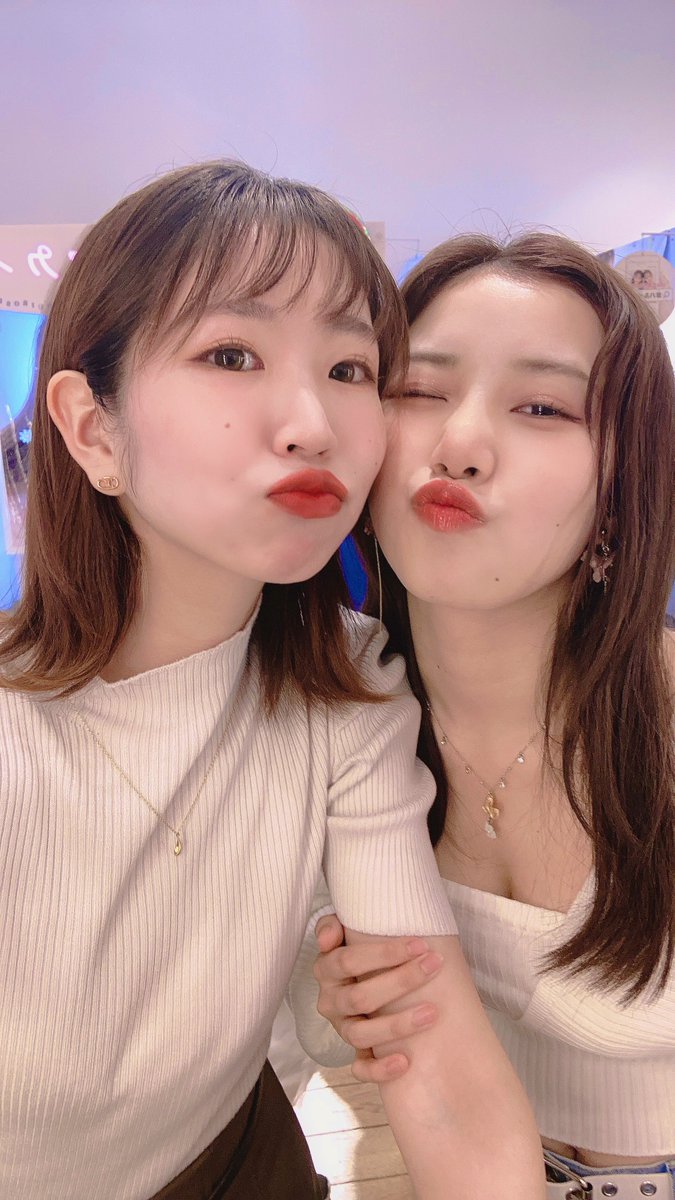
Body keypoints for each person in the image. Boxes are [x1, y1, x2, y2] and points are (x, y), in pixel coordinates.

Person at [0, 164, 546, 1200]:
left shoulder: (348, 687)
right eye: (231, 354)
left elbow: (439, 1062)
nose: (312, 423)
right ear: (92, 428)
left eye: (349, 368)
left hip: (239, 1163)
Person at [298, 232, 675, 1197]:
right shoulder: (339, 716)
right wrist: (335, 998)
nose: (458, 445)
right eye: (418, 390)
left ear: (621, 486)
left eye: (542, 407)